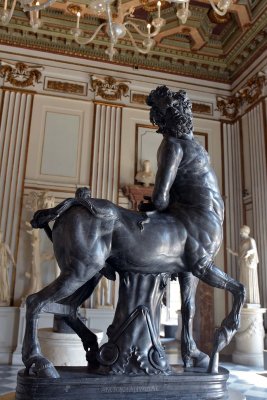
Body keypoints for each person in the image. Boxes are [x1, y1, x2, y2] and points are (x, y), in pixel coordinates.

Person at [142, 86, 224, 274]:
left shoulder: (179, 144)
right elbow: (161, 199)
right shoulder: (187, 147)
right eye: (175, 110)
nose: (182, 113)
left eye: (182, 108)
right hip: (205, 223)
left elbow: (160, 199)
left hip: (198, 224)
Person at [228, 225, 260, 305]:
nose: (240, 233)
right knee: (243, 280)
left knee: (249, 279)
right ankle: (245, 299)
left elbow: (253, 250)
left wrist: (248, 253)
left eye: (241, 232)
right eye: (240, 232)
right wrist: (231, 252)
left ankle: (251, 300)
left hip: (249, 263)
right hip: (243, 263)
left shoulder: (251, 240)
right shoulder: (242, 242)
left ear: (246, 232)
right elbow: (239, 253)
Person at [0, 231, 15, 306]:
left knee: (4, 281)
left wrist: (13, 262)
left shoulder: (4, 245)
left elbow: (10, 254)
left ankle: (5, 298)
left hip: (2, 266)